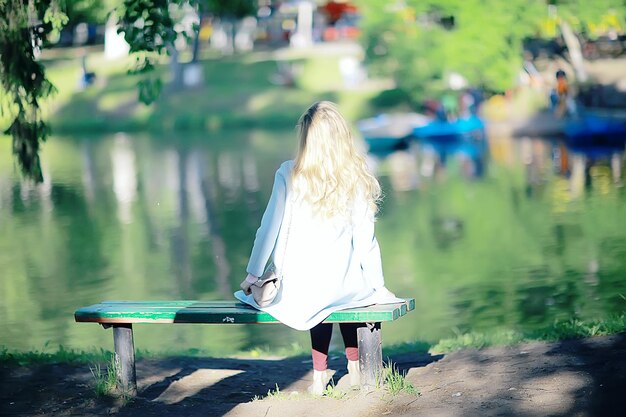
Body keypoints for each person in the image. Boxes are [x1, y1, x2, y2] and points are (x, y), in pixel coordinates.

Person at [235, 101, 403, 395]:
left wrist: (253, 274)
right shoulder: (355, 178)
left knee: (317, 294)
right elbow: (366, 242)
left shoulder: (289, 173)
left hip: (300, 290)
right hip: (343, 286)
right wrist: (379, 287)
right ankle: (353, 366)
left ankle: (319, 374)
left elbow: (268, 229)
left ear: (306, 138)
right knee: (348, 290)